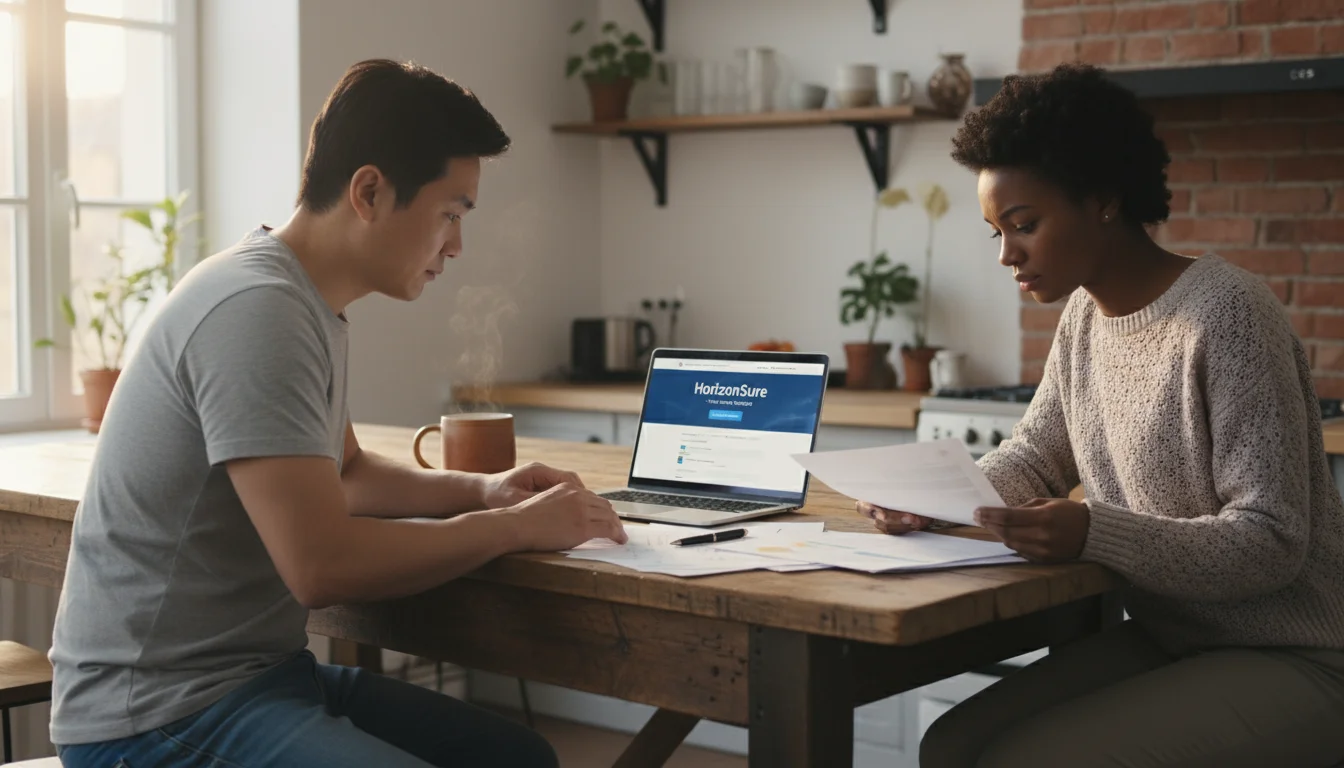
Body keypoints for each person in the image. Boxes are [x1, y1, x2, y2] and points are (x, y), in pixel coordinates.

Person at [49, 59, 627, 768]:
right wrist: (513, 528)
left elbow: (346, 474)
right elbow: (321, 565)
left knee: (518, 757)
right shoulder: (259, 311)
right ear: (370, 192)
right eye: (450, 214)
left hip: (258, 679)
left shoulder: (304, 302)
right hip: (155, 715)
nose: (456, 245)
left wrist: (484, 491)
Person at [858, 63, 1344, 767]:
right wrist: (935, 501)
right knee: (949, 747)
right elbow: (1035, 456)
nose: (1007, 255)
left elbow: (1270, 542)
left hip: (1296, 651)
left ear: (1105, 200)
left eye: (1024, 225)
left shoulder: (1230, 315)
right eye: (996, 232)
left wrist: (1094, 531)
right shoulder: (1085, 318)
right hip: (1174, 637)